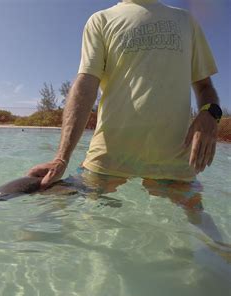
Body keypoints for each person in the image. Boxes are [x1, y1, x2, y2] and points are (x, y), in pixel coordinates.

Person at [27, 0, 225, 242]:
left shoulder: (187, 21)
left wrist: (210, 113)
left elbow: (205, 88)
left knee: (216, 249)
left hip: (175, 162)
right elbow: (85, 85)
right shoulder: (100, 19)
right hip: (107, 158)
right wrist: (62, 157)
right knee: (32, 232)